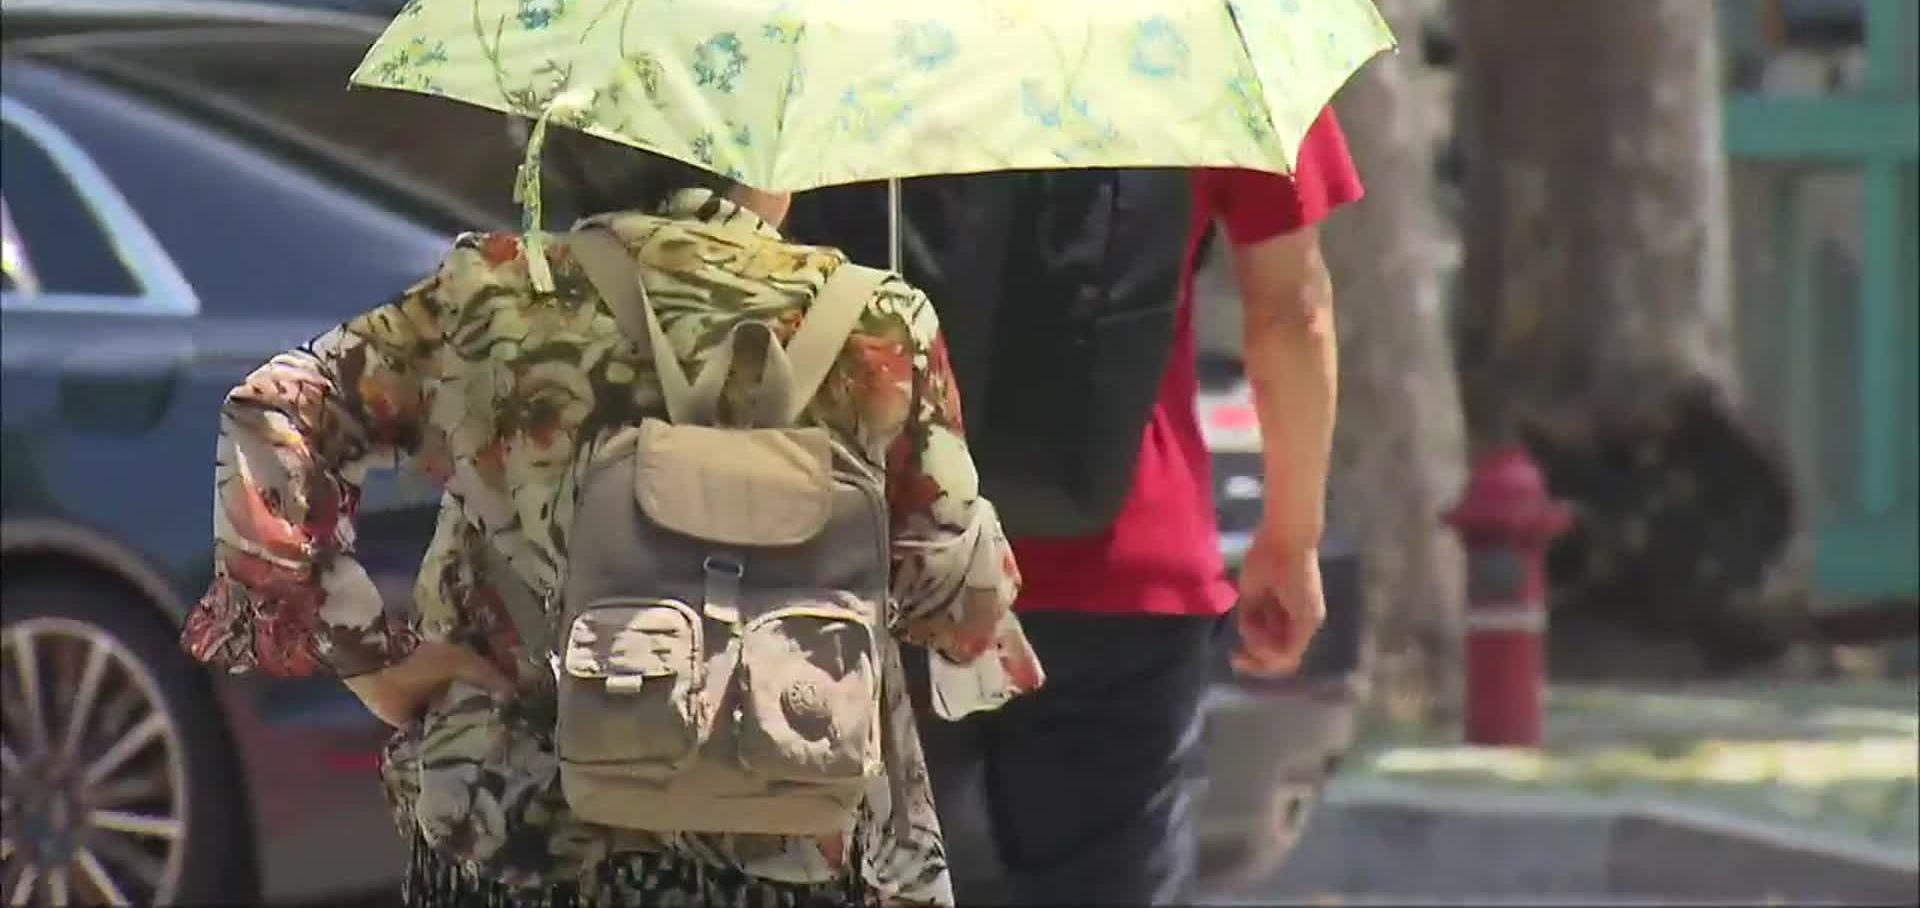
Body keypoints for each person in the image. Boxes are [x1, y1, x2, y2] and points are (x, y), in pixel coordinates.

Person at [179, 125, 1042, 907]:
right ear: (754, 146)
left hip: (516, 827)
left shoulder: (493, 296)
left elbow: (271, 415)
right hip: (789, 825)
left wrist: (371, 657)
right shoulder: (875, 320)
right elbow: (957, 610)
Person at [903, 105, 1365, 906]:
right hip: (1127, 564)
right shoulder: (1197, 15)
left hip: (894, 545)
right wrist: (1289, 540)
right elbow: (1291, 308)